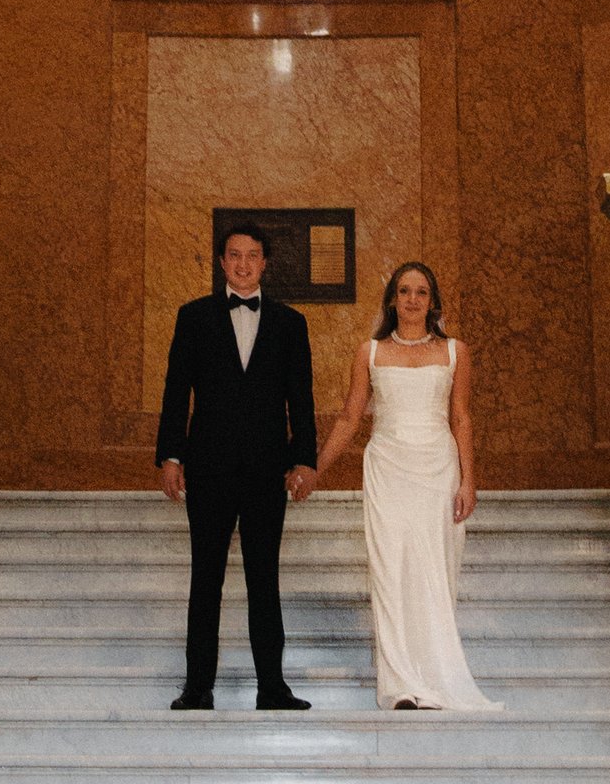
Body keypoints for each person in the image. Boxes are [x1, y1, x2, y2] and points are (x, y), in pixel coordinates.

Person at [312, 261, 498, 713]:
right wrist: (315, 469)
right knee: (390, 571)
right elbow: (350, 418)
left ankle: (435, 676)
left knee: (435, 571)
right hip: (388, 469)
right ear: (392, 300)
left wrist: (469, 480)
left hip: (437, 469)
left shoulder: (456, 351)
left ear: (432, 301)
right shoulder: (369, 353)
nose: (412, 299)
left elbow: (461, 417)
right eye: (404, 291)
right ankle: (399, 686)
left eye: (421, 292)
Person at [155, 227, 317, 712]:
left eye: (252, 256)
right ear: (222, 263)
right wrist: (171, 456)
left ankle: (273, 687)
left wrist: (304, 459)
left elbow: (301, 401)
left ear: (265, 262)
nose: (243, 264)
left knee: (263, 579)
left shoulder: (291, 323)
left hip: (268, 471)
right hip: (207, 468)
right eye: (234, 256)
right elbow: (174, 393)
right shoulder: (193, 317)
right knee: (206, 579)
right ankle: (197, 687)